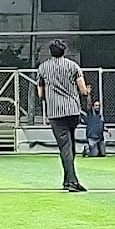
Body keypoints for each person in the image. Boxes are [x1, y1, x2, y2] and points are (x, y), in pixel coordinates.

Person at [35, 39, 90, 192]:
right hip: (72, 110)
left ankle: (71, 181)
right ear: (64, 51)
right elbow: (83, 90)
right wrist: (84, 93)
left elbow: (40, 93)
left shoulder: (43, 68)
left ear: (51, 52)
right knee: (70, 145)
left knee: (65, 146)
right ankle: (68, 180)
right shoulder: (73, 66)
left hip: (55, 113)